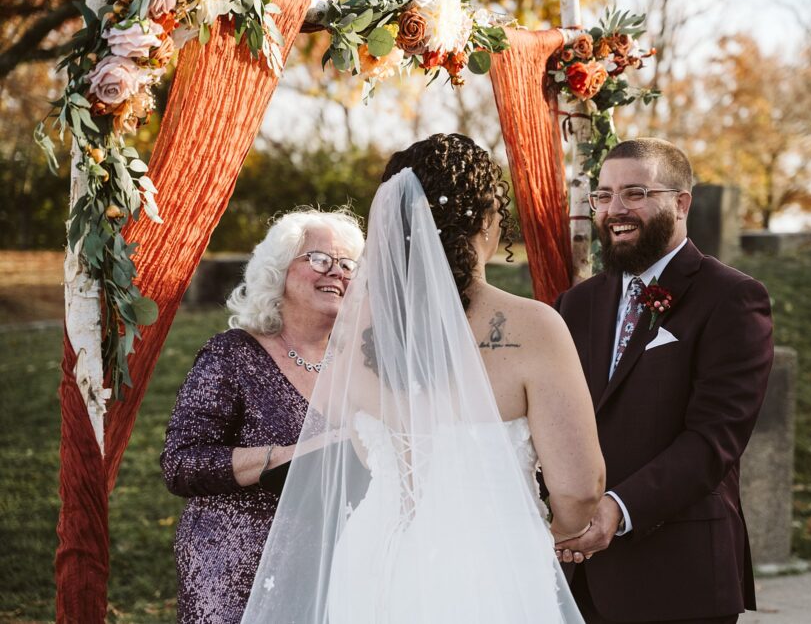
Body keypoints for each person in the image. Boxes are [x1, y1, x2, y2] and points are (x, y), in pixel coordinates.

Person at [241, 133, 606, 623]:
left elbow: (364, 445)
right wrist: (564, 534)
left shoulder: (357, 329)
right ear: (486, 217)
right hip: (486, 564)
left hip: (371, 558)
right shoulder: (533, 327)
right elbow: (579, 488)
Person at [553, 138, 774, 624]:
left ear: (681, 203)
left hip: (678, 577)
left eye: (635, 193)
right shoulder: (576, 304)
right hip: (579, 579)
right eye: (604, 196)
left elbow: (714, 440)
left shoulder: (733, 298)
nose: (615, 210)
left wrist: (618, 507)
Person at [161, 207, 365, 624]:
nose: (337, 273)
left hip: (336, 565)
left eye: (348, 265)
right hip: (235, 564)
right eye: (320, 259)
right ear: (279, 271)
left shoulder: (361, 364)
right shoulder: (232, 354)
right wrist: (288, 456)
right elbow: (181, 463)